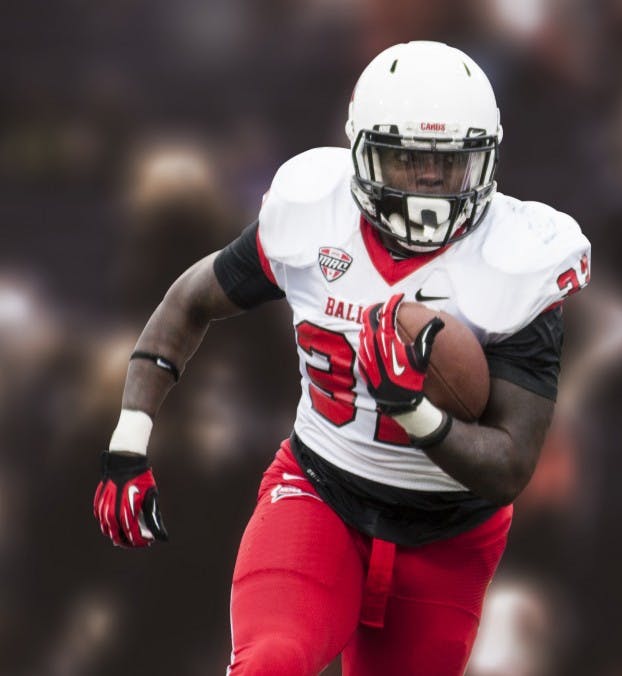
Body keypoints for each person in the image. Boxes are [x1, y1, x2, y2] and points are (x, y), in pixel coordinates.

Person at [91, 40, 590, 675]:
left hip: (449, 534)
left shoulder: (518, 263)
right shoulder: (314, 215)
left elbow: (509, 465)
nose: (429, 185)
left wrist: (411, 412)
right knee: (271, 662)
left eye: (449, 164)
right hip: (320, 490)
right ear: (361, 153)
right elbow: (190, 300)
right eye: (408, 161)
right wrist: (129, 441)